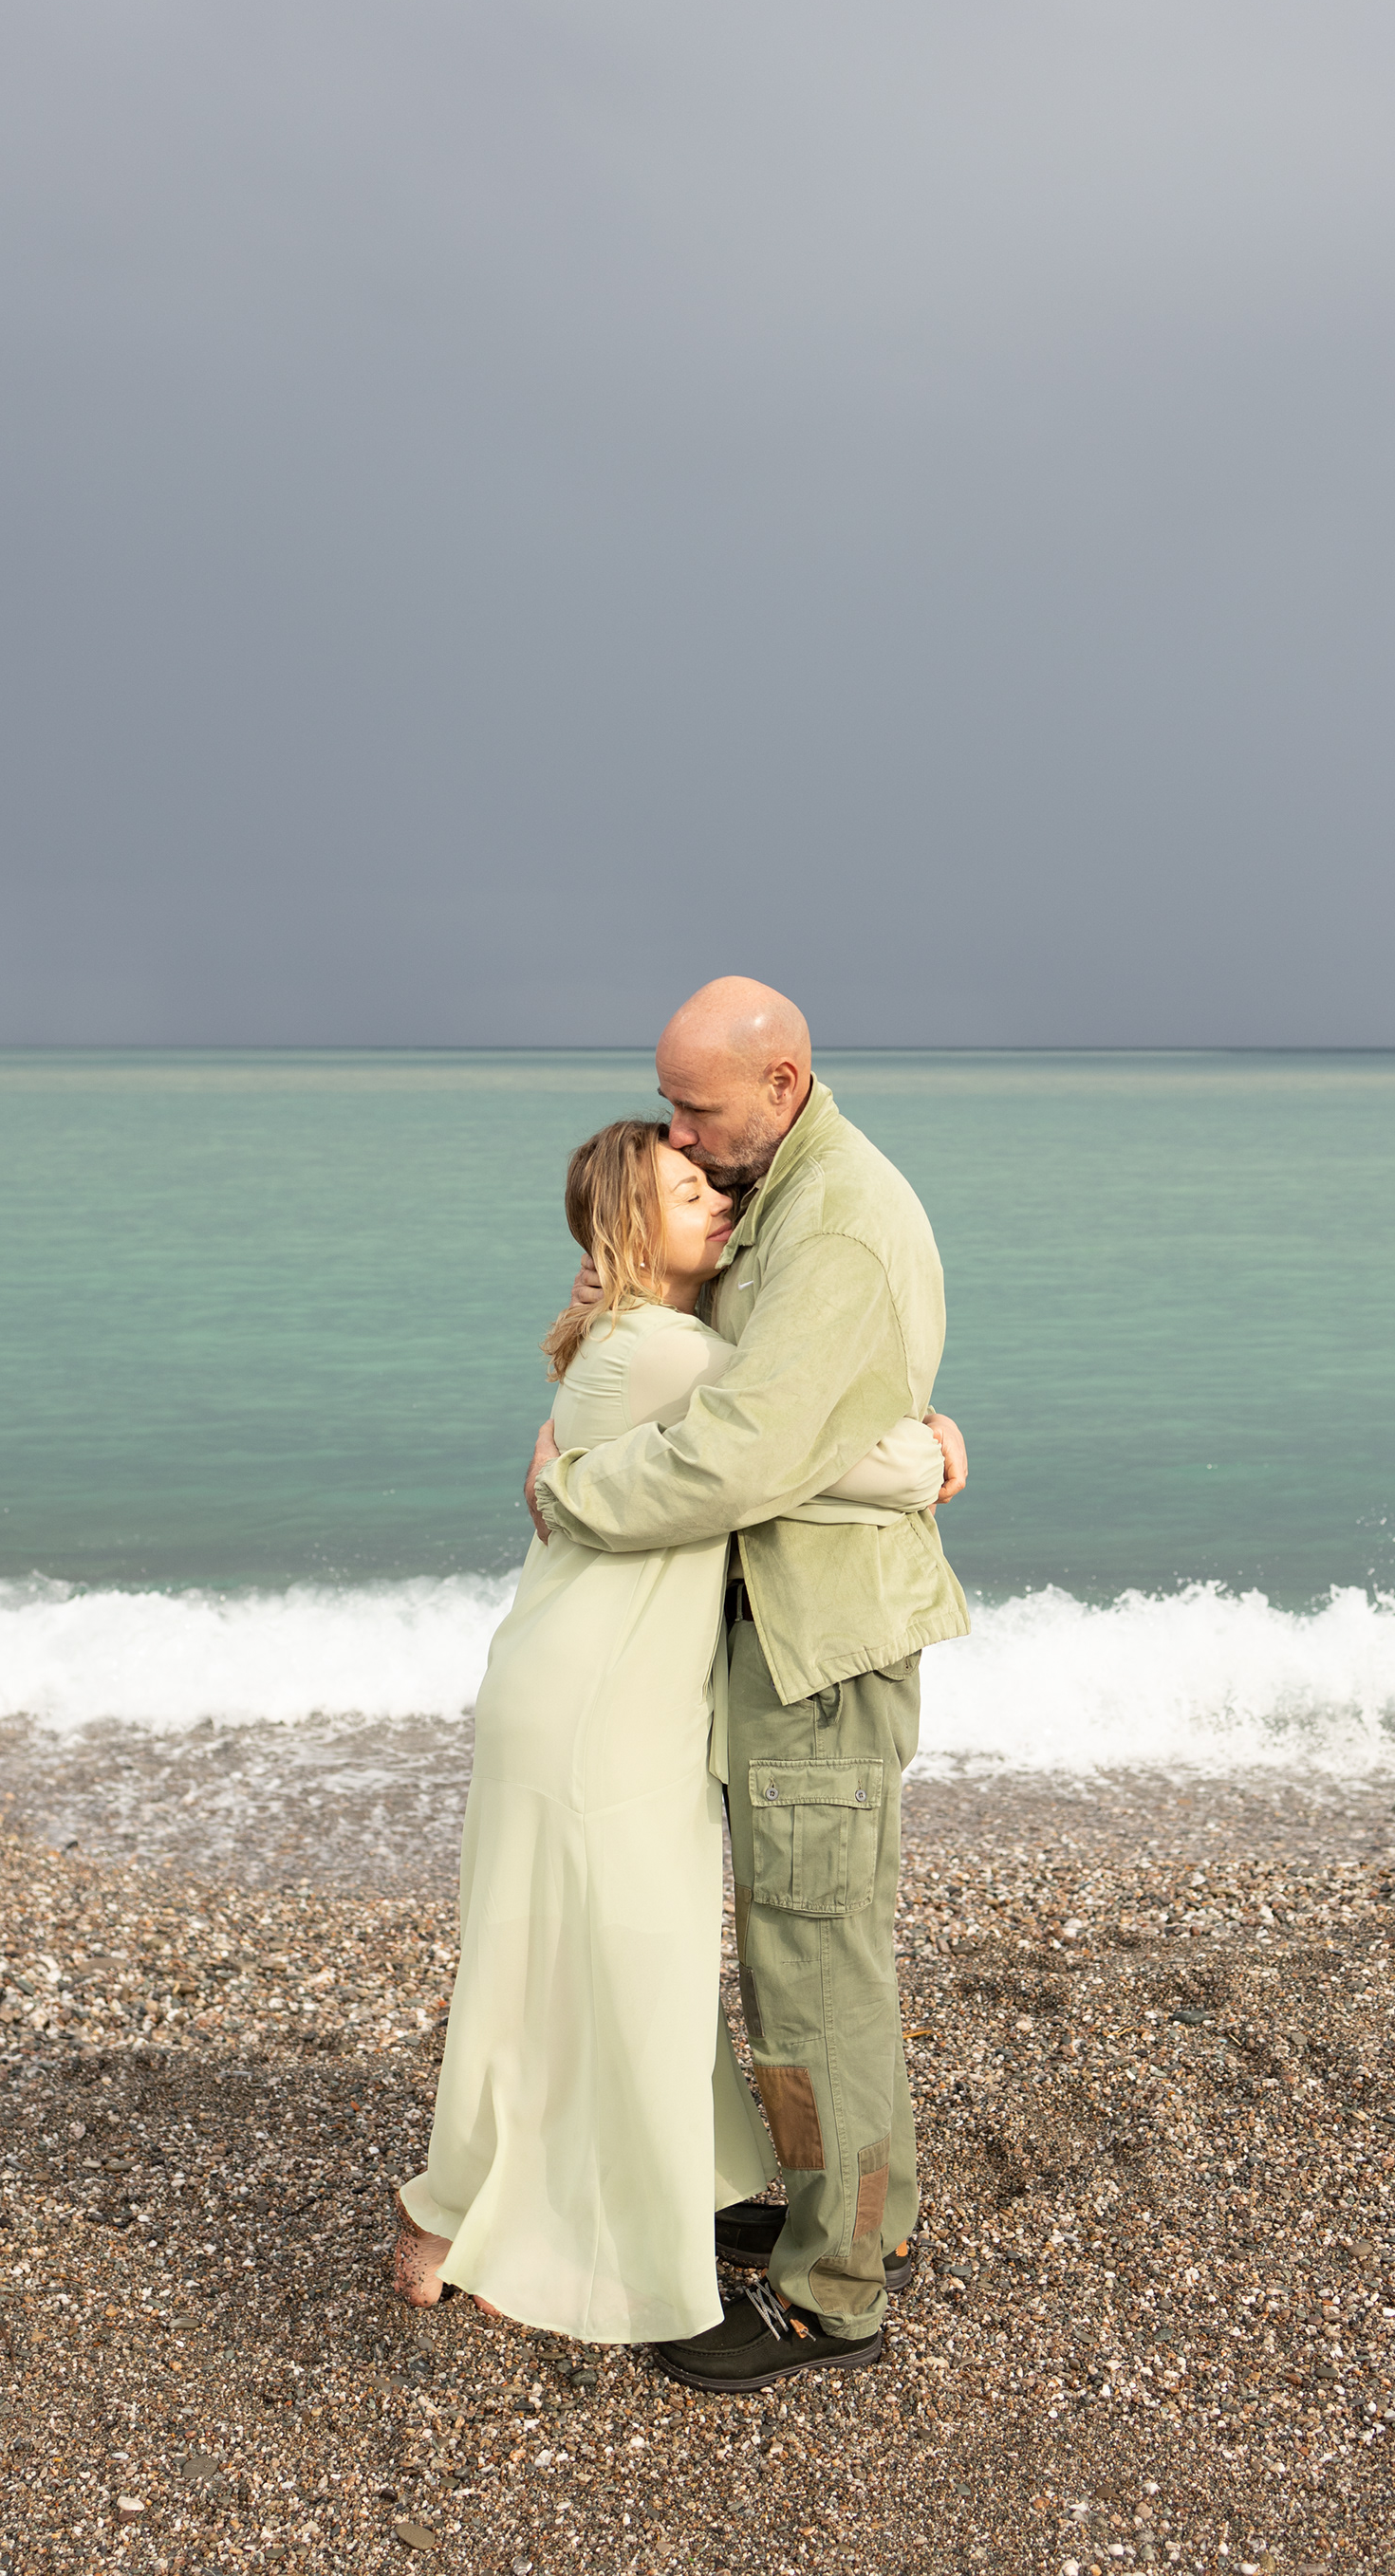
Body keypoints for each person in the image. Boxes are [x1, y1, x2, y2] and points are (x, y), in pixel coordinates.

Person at [393, 1117, 944, 2344]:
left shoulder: (644, 1337)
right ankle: (565, 2234)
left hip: (598, 1684)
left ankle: (523, 2203)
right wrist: (934, 1441)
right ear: (632, 1234)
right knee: (621, 1967)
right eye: (687, 1191)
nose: (717, 1200)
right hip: (603, 1704)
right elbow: (874, 1466)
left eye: (709, 1178)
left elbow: (787, 1425)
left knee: (577, 1960)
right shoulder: (664, 1351)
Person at [526, 978, 969, 2392]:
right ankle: (861, 2219)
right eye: (670, 1107)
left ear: (781, 1086)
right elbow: (750, 1384)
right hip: (801, 1632)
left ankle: (836, 2293)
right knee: (817, 1954)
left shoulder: (830, 1222)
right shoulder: (780, 1187)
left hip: (817, 1645)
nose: (677, 1131)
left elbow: (744, 1451)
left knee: (810, 1973)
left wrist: (575, 1494)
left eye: (695, 1108)